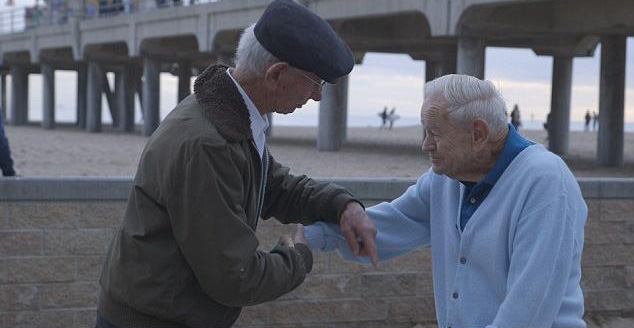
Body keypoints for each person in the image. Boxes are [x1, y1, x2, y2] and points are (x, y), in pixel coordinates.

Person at [96, 1, 378, 327]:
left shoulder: (231, 117)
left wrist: (342, 205)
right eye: (316, 82)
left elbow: (275, 187)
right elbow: (235, 277)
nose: (317, 96)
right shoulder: (207, 144)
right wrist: (298, 252)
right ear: (276, 75)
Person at [302, 74, 588, 328]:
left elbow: (528, 308)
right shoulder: (446, 178)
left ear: (477, 134)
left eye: (434, 133)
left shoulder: (546, 183)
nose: (424, 144)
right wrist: (311, 235)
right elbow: (390, 225)